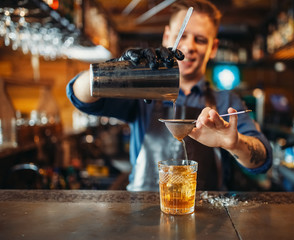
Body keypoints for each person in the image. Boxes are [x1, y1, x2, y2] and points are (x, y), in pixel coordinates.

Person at [66, 0, 272, 191]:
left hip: (205, 215)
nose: (189, 47)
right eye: (182, 36)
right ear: (166, 37)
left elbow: (262, 160)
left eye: (200, 40)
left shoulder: (227, 101)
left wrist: (235, 143)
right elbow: (80, 97)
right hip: (141, 213)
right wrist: (116, 71)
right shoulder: (142, 93)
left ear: (213, 48)